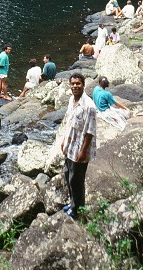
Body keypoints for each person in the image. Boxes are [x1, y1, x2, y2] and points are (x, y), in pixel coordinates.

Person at [61, 73, 96, 218]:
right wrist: (63, 140)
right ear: (70, 85)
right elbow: (69, 122)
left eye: (78, 84)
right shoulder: (71, 100)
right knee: (67, 174)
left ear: (83, 85)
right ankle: (72, 202)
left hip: (80, 149)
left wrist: (83, 151)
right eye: (73, 84)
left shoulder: (89, 106)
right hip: (70, 145)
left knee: (76, 180)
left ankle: (77, 209)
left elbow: (90, 131)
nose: (75, 86)